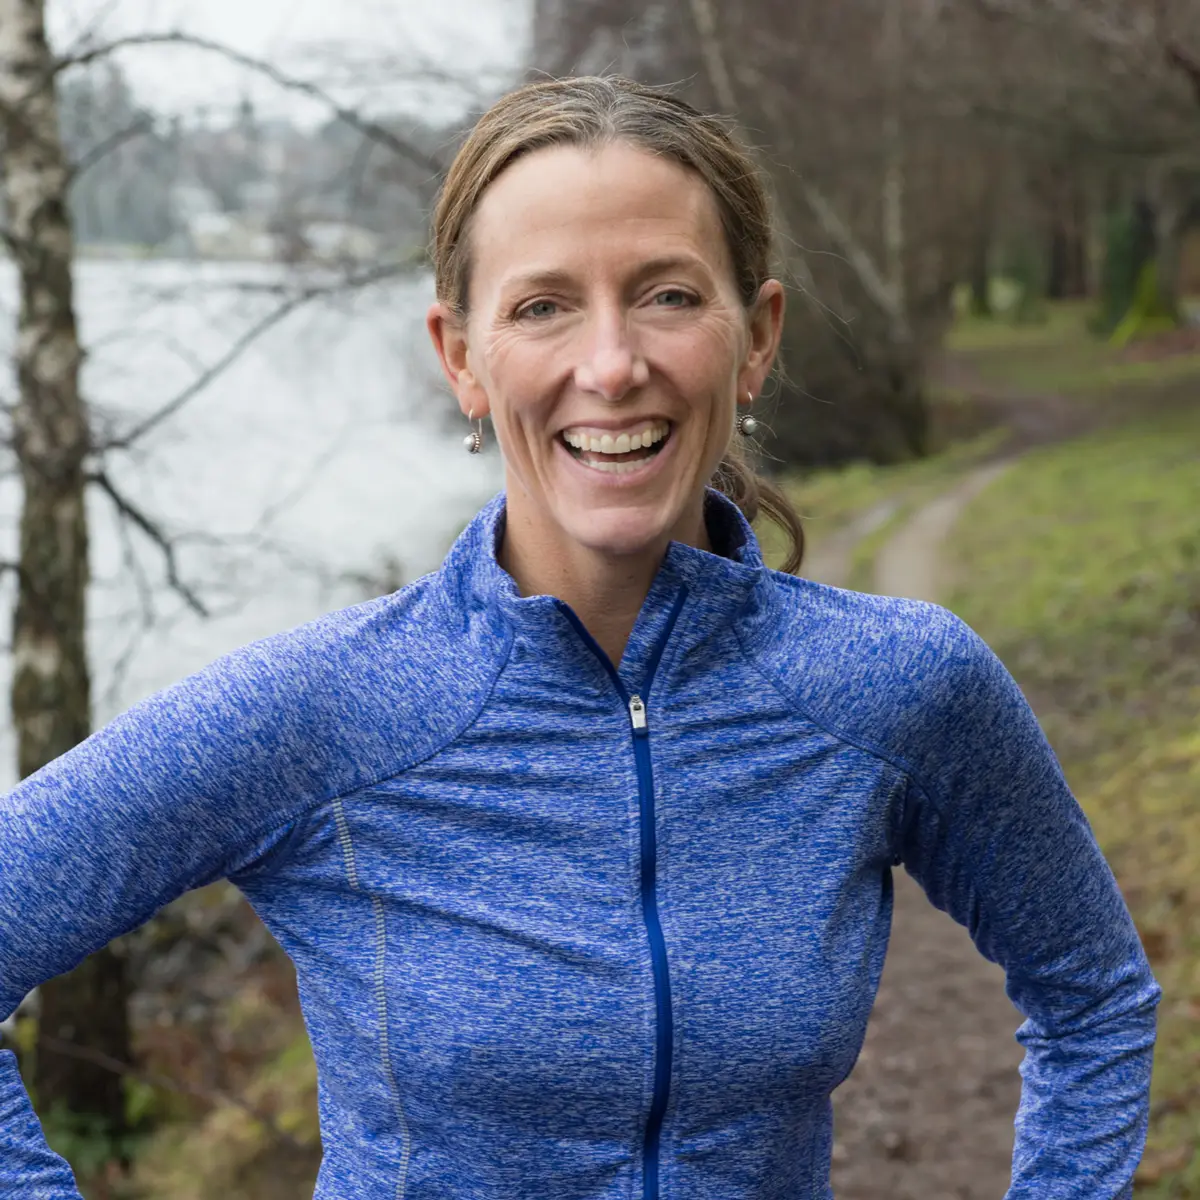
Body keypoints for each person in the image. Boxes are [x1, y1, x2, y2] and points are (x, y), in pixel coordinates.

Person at [0, 75, 1161, 1200]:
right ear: (462, 357)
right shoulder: (323, 712)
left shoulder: (900, 687)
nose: (611, 366)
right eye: (543, 306)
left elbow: (1096, 997)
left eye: (666, 294)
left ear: (755, 336)